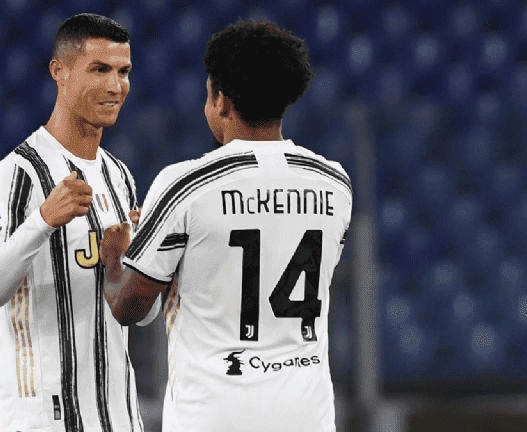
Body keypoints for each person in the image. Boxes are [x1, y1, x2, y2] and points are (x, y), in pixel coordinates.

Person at [100, 19, 352, 432]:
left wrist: (116, 257)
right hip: (308, 416)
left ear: (221, 100)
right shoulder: (334, 183)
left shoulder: (185, 185)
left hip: (212, 415)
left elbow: (130, 307)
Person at [0, 13, 149, 432]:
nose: (115, 86)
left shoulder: (119, 176)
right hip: (46, 419)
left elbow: (139, 315)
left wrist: (134, 261)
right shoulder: (18, 173)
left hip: (120, 418)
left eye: (123, 72)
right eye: (99, 69)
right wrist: (43, 221)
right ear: (59, 71)